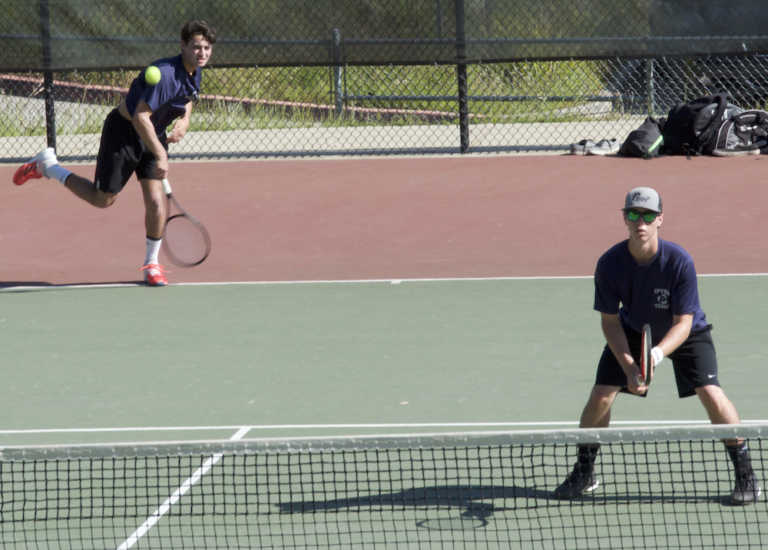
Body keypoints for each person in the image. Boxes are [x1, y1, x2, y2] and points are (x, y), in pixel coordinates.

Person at [553, 186, 760, 505]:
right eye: (634, 214)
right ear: (624, 218)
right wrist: (629, 366)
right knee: (601, 396)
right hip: (633, 329)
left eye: (648, 215)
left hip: (686, 333)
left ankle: (745, 473)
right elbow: (610, 322)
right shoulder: (610, 263)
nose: (641, 221)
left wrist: (655, 355)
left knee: (711, 394)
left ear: (660, 219)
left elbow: (684, 322)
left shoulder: (678, 261)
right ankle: (585, 471)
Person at [12, 20, 217, 286]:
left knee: (156, 203)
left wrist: (184, 122)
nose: (202, 53)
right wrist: (161, 154)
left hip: (153, 136)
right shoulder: (165, 74)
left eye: (206, 48)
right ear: (183, 46)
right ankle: (49, 166)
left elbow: (188, 98)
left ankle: (151, 265)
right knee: (102, 199)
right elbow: (140, 118)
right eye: (196, 47)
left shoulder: (194, 72)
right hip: (124, 133)